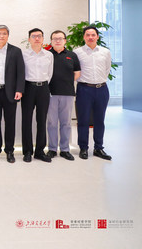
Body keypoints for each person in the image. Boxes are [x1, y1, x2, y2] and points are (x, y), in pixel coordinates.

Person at [0, 25, 25, 163]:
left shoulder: (16, 51)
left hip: (11, 92)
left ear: (8, 35)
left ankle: (9, 151)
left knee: (10, 123)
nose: (1, 36)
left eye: (4, 33)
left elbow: (21, 72)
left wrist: (19, 90)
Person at [74, 26, 112, 161]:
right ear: (84, 37)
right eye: (88, 35)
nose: (90, 37)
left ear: (97, 37)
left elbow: (107, 69)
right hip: (84, 89)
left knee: (99, 120)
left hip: (102, 89)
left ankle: (98, 148)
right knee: (83, 120)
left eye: (93, 35)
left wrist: (99, 82)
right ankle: (83, 148)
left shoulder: (105, 52)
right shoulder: (77, 52)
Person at [21, 28, 54, 163]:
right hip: (28, 88)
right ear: (29, 39)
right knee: (26, 120)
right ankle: (27, 151)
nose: (37, 38)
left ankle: (40, 151)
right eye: (34, 36)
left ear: (43, 39)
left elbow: (50, 73)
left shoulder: (48, 55)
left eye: (39, 36)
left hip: (43, 89)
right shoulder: (23, 54)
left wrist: (43, 84)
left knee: (42, 120)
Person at [47, 30, 80, 161]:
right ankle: (52, 149)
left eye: (60, 38)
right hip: (50, 94)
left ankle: (65, 149)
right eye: (55, 38)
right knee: (52, 123)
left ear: (65, 40)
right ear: (51, 41)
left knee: (66, 123)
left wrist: (66, 82)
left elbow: (77, 73)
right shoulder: (47, 55)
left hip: (67, 93)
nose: (58, 41)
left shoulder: (72, 55)